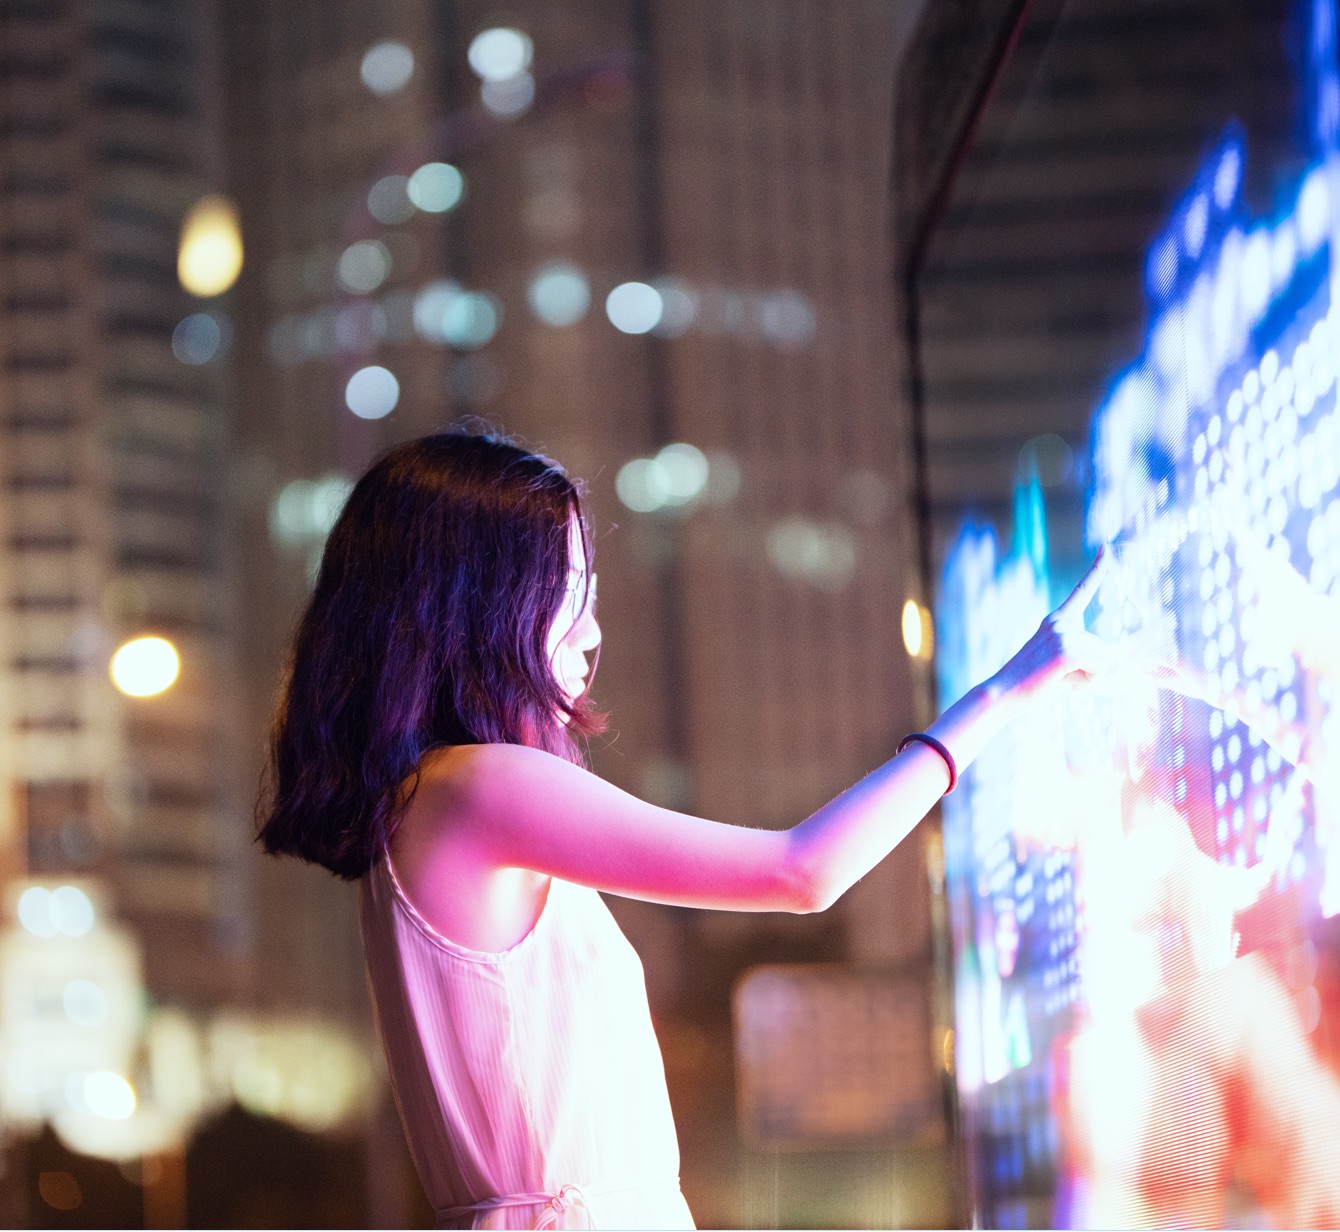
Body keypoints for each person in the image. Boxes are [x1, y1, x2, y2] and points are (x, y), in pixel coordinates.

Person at [257, 429, 1110, 1230]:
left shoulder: (428, 803)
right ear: (484, 603)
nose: (591, 633)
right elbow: (802, 872)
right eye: (570, 592)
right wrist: (1007, 692)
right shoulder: (482, 789)